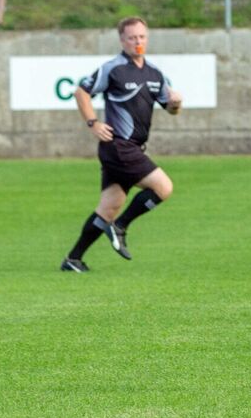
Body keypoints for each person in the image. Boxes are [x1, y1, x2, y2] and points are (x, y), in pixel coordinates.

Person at [60, 17, 182, 273]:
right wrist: (93, 122)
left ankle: (73, 260)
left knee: (108, 207)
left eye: (141, 37)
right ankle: (121, 226)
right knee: (163, 187)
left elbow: (170, 108)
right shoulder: (113, 68)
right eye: (132, 38)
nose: (137, 42)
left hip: (132, 148)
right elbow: (82, 92)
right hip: (119, 146)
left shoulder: (154, 74)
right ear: (122, 40)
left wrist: (176, 103)